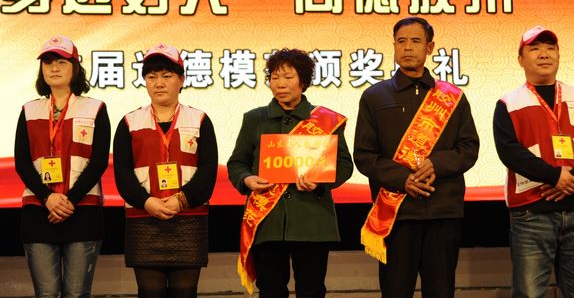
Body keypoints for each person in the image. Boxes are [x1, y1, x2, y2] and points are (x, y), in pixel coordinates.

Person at [354, 17, 479, 298]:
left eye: (415, 41)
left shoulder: (452, 97)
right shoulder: (374, 96)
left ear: (430, 47)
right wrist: (403, 179)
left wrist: (437, 164)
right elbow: (364, 155)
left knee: (441, 291)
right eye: (401, 41)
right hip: (396, 213)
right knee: (395, 291)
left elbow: (469, 148)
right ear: (394, 46)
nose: (408, 47)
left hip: (443, 211)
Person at [227, 48, 353, 298]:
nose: (280, 84)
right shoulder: (254, 119)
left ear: (303, 81)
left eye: (288, 77)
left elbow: (344, 165)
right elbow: (237, 163)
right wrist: (247, 179)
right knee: (270, 290)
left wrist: (319, 181)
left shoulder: (325, 120)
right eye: (274, 77)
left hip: (313, 219)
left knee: (311, 290)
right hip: (268, 221)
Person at [493, 25, 574, 298]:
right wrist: (555, 177)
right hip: (531, 214)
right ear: (521, 59)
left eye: (550, 48)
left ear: (559, 55)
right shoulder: (508, 103)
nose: (544, 54)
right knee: (529, 293)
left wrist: (573, 180)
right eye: (535, 48)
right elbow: (509, 152)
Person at [113, 43, 218, 298]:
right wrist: (147, 202)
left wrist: (181, 200)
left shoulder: (200, 119)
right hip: (143, 218)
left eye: (167, 76)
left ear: (181, 80)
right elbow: (122, 173)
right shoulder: (129, 122)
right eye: (152, 77)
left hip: (189, 217)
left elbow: (208, 170)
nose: (159, 83)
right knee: (150, 292)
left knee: (186, 291)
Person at [14, 35, 110, 298]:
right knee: (46, 293)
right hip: (39, 211)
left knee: (77, 294)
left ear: (75, 67)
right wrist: (48, 197)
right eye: (48, 62)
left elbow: (99, 161)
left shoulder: (95, 108)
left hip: (83, 210)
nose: (54, 68)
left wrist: (69, 201)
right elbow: (22, 162)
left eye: (61, 62)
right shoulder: (29, 110)